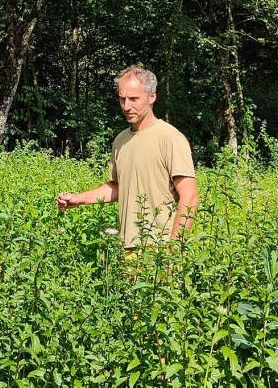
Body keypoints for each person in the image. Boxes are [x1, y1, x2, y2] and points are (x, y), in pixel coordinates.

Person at [57, 65, 198, 253]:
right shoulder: (121, 140)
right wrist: (78, 199)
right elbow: (117, 186)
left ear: (152, 97)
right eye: (122, 99)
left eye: (134, 99)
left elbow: (189, 196)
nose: (126, 106)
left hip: (160, 250)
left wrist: (173, 249)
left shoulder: (170, 138)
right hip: (129, 247)